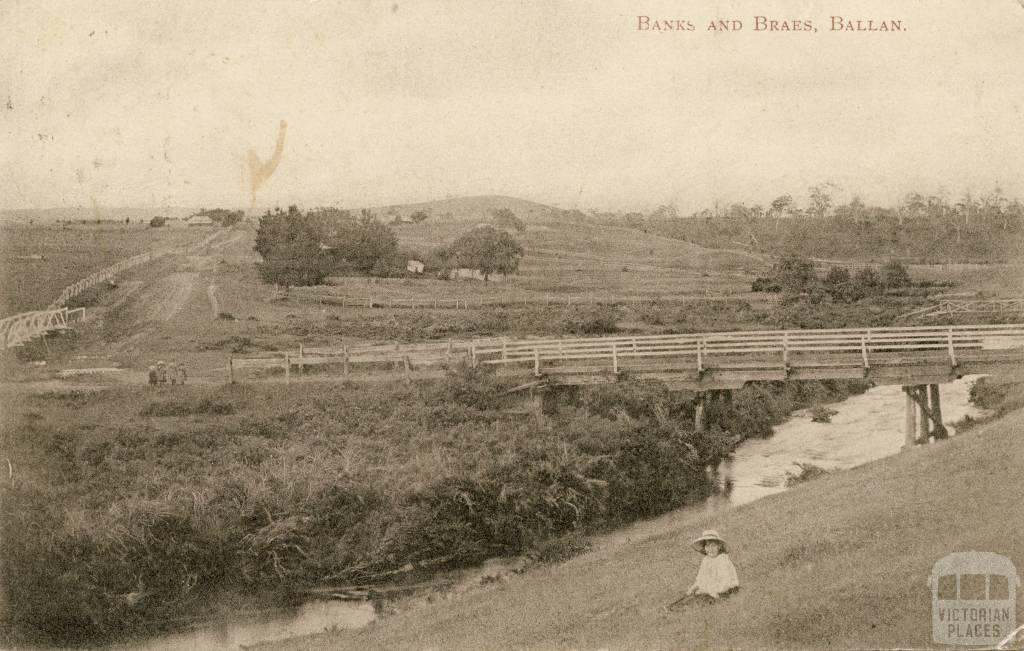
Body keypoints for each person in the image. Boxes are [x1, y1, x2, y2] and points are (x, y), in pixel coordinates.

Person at [670, 529, 740, 609]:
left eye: (713, 545)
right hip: (712, 589)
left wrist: (708, 590)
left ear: (719, 546)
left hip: (725, 590)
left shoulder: (722, 560)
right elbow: (700, 579)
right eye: (707, 546)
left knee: (699, 601)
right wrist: (693, 588)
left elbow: (725, 584)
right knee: (687, 598)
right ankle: (674, 607)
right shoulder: (706, 560)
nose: (710, 549)